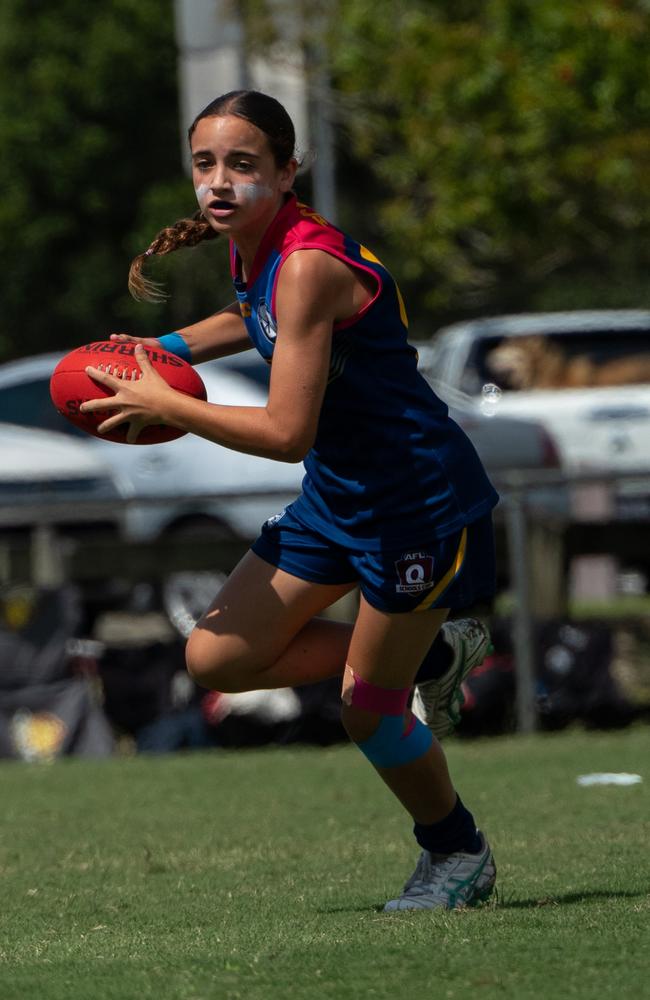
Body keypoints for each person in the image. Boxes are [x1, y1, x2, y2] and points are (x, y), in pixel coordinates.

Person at [80, 90, 499, 911]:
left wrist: (171, 406)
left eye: (243, 164)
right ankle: (438, 656)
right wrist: (166, 347)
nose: (219, 181)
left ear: (287, 172)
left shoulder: (307, 264)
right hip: (339, 497)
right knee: (217, 658)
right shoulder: (255, 249)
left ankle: (458, 856)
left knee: (369, 711)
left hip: (415, 502)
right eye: (205, 164)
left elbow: (284, 432)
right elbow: (253, 318)